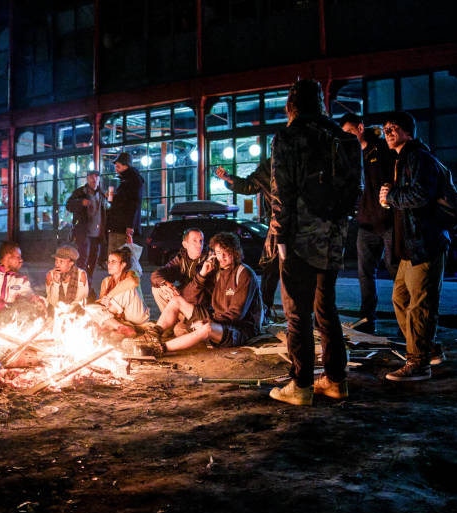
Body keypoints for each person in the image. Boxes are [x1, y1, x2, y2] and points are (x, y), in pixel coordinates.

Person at [268, 79, 363, 406]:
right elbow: (356, 193)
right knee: (327, 308)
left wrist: (280, 235)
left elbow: (282, 191)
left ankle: (302, 384)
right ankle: (336, 379)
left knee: (297, 312)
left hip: (299, 236)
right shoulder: (345, 139)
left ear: (290, 106)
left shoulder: (288, 137)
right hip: (334, 235)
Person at [379, 111, 450, 382]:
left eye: (393, 129)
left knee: (420, 305)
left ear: (408, 132)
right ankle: (426, 348)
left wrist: (392, 195)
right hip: (411, 245)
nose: (388, 133)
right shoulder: (404, 158)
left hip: (425, 243)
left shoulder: (418, 156)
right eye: (385, 129)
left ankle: (418, 363)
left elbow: (421, 195)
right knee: (401, 298)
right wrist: (391, 196)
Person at [128, 232, 262, 357]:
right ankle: (152, 335)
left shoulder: (244, 274)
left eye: (226, 253)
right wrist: (202, 275)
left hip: (238, 328)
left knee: (207, 329)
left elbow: (236, 314)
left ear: (235, 252)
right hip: (216, 317)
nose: (222, 257)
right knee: (176, 300)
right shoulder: (217, 271)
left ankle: (159, 348)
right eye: (218, 253)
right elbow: (189, 297)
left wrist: (205, 321)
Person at [340, 113, 396, 334]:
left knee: (395, 271)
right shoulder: (352, 157)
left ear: (360, 128)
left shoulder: (381, 149)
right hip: (365, 224)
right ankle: (367, 319)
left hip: (388, 222)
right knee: (365, 273)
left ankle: (404, 320)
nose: (347, 137)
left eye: (349, 132)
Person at [215, 159, 280, 322]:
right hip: (279, 226)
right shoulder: (269, 167)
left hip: (299, 227)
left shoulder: (301, 163)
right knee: (271, 267)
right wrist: (229, 179)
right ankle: (264, 309)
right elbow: (249, 185)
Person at [150, 228, 211, 335]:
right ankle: (170, 324)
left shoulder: (208, 261)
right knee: (159, 287)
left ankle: (174, 325)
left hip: (197, 308)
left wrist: (178, 295)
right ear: (185, 244)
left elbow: (196, 291)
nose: (199, 244)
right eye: (195, 241)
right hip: (181, 301)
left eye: (201, 241)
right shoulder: (181, 259)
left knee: (179, 331)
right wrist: (166, 284)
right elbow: (156, 275)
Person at [88, 246, 150, 338]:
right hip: (118, 317)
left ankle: (109, 326)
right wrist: (104, 304)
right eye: (108, 262)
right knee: (90, 308)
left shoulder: (131, 274)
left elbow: (132, 282)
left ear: (123, 265)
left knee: (127, 287)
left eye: (113, 262)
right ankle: (122, 327)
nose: (109, 265)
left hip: (135, 314)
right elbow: (102, 302)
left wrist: (110, 296)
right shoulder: (106, 281)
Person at [65, 169, 107, 282]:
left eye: (96, 177)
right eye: (91, 177)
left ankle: (88, 286)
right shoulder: (80, 192)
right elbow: (68, 205)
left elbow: (106, 212)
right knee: (82, 259)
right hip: (83, 233)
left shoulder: (102, 194)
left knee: (92, 262)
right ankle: (78, 284)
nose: (94, 179)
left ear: (99, 179)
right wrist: (80, 202)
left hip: (97, 235)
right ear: (87, 179)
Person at [107, 152, 144, 255]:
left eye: (118, 166)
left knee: (119, 256)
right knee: (117, 256)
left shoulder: (133, 180)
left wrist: (130, 226)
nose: (116, 169)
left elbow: (134, 203)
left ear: (126, 166)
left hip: (122, 227)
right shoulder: (126, 180)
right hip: (118, 226)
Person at [45, 244, 89, 309]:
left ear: (71, 263)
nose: (57, 264)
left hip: (74, 311)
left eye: (61, 261)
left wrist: (68, 310)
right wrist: (56, 283)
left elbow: (81, 300)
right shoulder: (50, 275)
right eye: (56, 260)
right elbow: (52, 302)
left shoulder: (81, 275)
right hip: (56, 311)